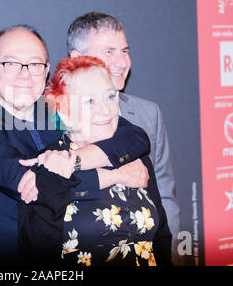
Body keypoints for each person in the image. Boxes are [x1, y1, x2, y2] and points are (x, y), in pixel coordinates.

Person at [0, 24, 152, 265]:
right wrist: (117, 175)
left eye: (35, 64)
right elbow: (32, 183)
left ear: (46, 71)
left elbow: (133, 136)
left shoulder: (56, 110)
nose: (24, 74)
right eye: (11, 64)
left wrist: (74, 161)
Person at [18, 56, 172, 266]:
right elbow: (36, 251)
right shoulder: (48, 164)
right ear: (63, 112)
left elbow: (161, 237)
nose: (106, 110)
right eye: (89, 101)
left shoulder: (134, 155)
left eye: (110, 97)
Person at [67, 12, 181, 264]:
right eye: (109, 52)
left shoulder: (147, 114)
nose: (121, 62)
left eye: (125, 51)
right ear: (78, 59)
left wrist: (170, 256)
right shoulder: (54, 115)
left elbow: (165, 193)